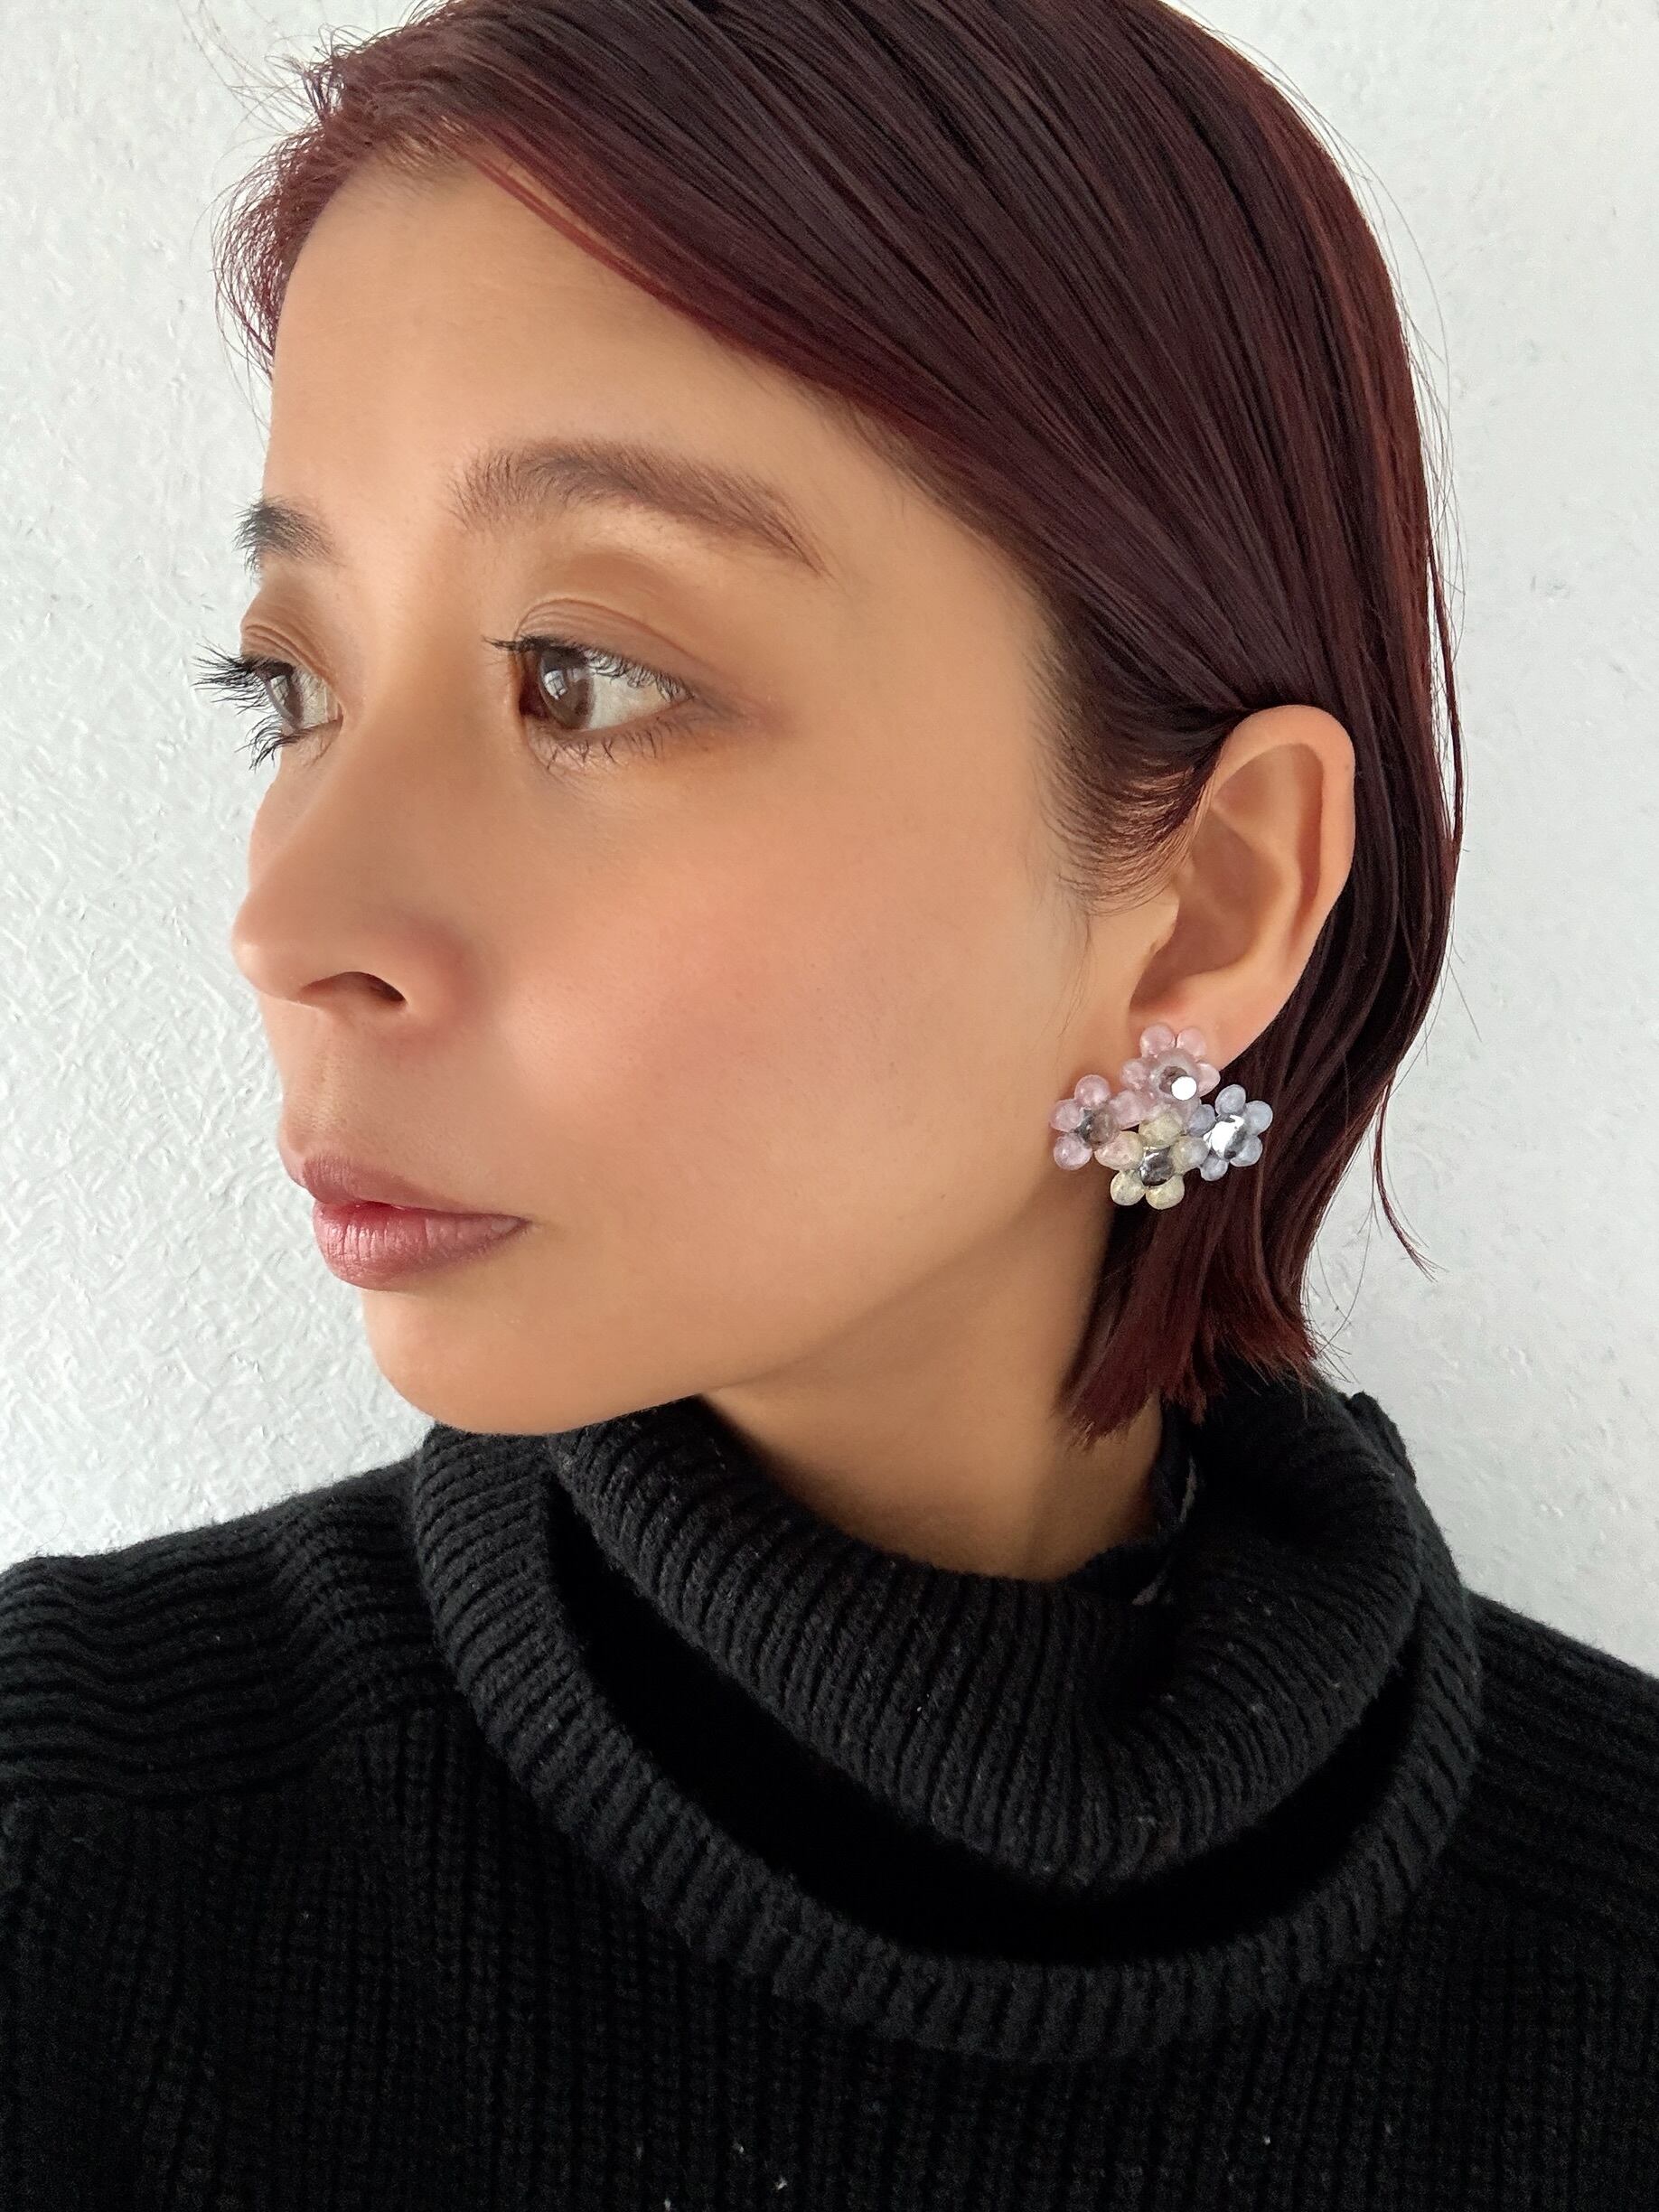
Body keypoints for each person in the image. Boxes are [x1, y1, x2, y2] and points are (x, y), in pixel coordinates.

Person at [3, 0, 1654, 2203]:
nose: (288, 920)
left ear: (1210, 901)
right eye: (287, 684)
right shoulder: (65, 1880)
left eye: (584, 677)